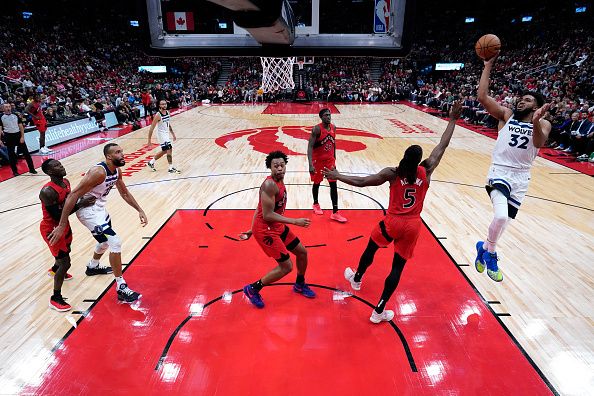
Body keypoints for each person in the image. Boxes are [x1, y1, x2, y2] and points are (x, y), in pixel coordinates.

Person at [323, 101, 462, 323]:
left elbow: (363, 182)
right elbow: (442, 146)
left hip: (393, 222)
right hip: (413, 225)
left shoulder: (393, 173)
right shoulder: (426, 170)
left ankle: (357, 278)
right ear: (419, 160)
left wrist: (337, 175)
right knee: (397, 268)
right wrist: (453, 119)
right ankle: (379, 311)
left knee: (371, 247)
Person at [474, 54, 551, 282]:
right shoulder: (507, 116)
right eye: (520, 99)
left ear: (536, 106)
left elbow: (538, 143)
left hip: (521, 177)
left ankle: (484, 247)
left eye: (527, 100)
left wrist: (536, 121)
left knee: (504, 223)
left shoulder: (544, 123)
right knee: (499, 216)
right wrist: (488, 66)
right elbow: (482, 96)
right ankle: (492, 253)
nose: (521, 102)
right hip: (500, 171)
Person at [48, 143, 148, 303]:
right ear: (108, 157)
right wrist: (61, 224)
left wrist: (139, 210)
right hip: (87, 212)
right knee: (115, 241)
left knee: (104, 242)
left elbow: (124, 192)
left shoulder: (116, 171)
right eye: (118, 152)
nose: (122, 154)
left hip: (100, 210)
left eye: (122, 151)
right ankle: (121, 287)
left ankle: (93, 266)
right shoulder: (98, 173)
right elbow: (73, 195)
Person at [240, 151, 315, 308]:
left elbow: (259, 207)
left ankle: (300, 284)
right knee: (286, 266)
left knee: (302, 252)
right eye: (276, 166)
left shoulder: (279, 181)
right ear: (270, 168)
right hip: (265, 230)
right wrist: (295, 221)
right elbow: (267, 215)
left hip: (275, 226)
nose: (280, 168)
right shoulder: (269, 185)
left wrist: (250, 228)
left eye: (282, 165)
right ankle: (253, 288)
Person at [39, 159, 96, 311]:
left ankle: (54, 269)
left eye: (60, 163)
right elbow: (58, 215)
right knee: (65, 263)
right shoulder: (47, 192)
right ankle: (55, 298)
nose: (61, 166)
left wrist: (81, 198)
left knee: (66, 252)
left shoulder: (66, 182)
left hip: (64, 226)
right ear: (50, 172)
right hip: (52, 229)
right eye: (57, 166)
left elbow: (69, 201)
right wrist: (80, 204)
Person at [307, 108, 347, 223]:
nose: (328, 117)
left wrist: (334, 158)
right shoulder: (316, 129)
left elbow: (333, 143)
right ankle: (315, 204)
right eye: (326, 115)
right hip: (318, 161)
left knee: (333, 185)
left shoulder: (334, 128)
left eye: (329, 115)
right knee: (317, 183)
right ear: (321, 117)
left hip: (330, 162)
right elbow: (310, 147)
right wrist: (310, 164)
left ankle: (335, 212)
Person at [0, 103, 37, 176]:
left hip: (18, 135)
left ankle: (32, 169)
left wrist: (22, 137)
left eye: (9, 106)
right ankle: (15, 172)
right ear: (3, 109)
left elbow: (21, 127)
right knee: (11, 155)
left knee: (26, 153)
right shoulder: (1, 117)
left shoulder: (15, 115)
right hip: (8, 136)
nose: (8, 108)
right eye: (6, 107)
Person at [146, 100, 180, 173]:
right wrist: (149, 140)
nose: (164, 105)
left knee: (164, 151)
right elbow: (151, 128)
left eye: (165, 104)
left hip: (166, 133)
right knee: (169, 148)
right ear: (159, 105)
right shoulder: (158, 115)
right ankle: (170, 168)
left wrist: (173, 133)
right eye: (162, 104)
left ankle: (151, 162)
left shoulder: (168, 112)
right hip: (161, 134)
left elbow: (168, 124)